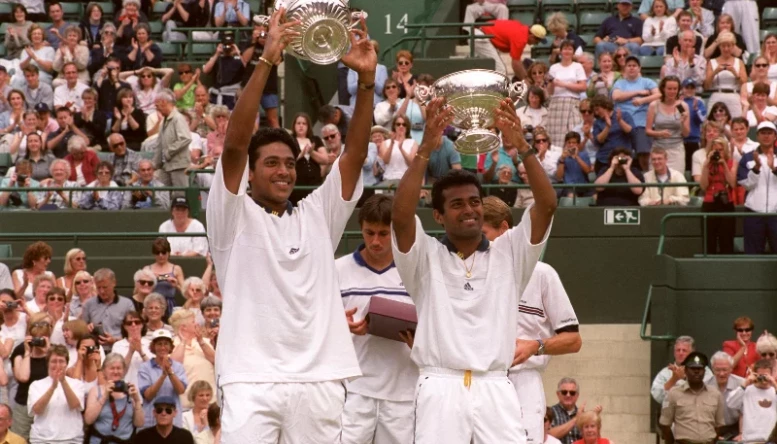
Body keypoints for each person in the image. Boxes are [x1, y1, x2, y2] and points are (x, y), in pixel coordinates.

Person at [206, 11, 376, 442]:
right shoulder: (232, 215)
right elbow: (235, 146)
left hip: (320, 379)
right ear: (251, 172)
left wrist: (368, 82)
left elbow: (354, 156)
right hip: (250, 380)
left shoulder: (318, 214)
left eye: (288, 163)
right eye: (271, 164)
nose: (283, 171)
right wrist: (266, 62)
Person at [391, 84, 556, 444]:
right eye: (457, 204)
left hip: (496, 385)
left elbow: (546, 206)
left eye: (475, 201)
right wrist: (424, 150)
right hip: (440, 384)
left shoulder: (510, 253)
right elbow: (401, 218)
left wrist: (522, 146)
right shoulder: (425, 257)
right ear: (437, 214)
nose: (469, 209)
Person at [481, 197, 581, 444]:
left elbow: (574, 340)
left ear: (504, 229)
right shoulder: (471, 273)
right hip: (481, 378)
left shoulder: (543, 275)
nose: (476, 241)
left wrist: (535, 346)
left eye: (483, 233)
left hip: (524, 380)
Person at [337, 195, 417, 443]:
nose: (375, 241)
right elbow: (318, 324)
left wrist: (419, 340)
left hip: (403, 392)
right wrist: (340, 325)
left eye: (383, 233)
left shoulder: (416, 271)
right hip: (353, 391)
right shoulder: (337, 269)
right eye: (369, 232)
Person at [659, 351, 725, 444]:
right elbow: (665, 424)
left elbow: (719, 425)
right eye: (692, 368)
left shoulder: (715, 394)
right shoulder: (674, 394)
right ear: (685, 370)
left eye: (700, 368)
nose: (696, 371)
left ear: (705, 371)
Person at [27, 344, 84, 444]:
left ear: (67, 364)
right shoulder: (36, 385)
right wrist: (53, 387)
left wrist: (63, 382)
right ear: (48, 363)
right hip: (42, 439)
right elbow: (37, 410)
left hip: (71, 439)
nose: (58, 365)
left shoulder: (77, 384)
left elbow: (74, 405)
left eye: (61, 361)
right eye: (54, 361)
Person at [612, 55, 661, 171]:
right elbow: (616, 96)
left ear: (639, 68)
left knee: (644, 153)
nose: (631, 68)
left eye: (634, 65)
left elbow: (659, 95)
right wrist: (638, 92)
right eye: (629, 66)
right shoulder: (620, 83)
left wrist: (642, 100)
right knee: (620, 154)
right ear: (625, 69)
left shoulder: (647, 81)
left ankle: (647, 174)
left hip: (641, 123)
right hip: (622, 121)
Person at [83, 353, 145, 444]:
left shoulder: (131, 390)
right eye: (112, 368)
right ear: (104, 371)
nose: (116, 371)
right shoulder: (96, 391)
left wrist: (137, 400)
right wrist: (104, 397)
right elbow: (88, 420)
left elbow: (139, 423)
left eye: (119, 368)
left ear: (124, 371)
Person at [737, 121, 777, 254]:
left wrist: (774, 169)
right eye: (763, 133)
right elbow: (745, 184)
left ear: (775, 136)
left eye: (769, 133)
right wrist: (756, 168)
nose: (766, 136)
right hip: (753, 213)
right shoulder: (748, 157)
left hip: (775, 214)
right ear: (757, 136)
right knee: (752, 255)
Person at [138, 329, 187, 429]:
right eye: (159, 344)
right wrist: (163, 376)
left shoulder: (178, 367)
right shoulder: (144, 367)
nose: (163, 347)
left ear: (170, 347)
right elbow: (148, 395)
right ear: (153, 347)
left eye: (166, 344)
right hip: (150, 422)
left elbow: (181, 390)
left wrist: (170, 372)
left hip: (173, 423)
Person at [169, 309, 215, 411]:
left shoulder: (205, 342)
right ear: (183, 327)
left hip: (211, 403)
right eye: (193, 322)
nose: (197, 324)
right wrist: (183, 341)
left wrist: (201, 341)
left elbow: (215, 360)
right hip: (187, 405)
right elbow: (174, 365)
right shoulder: (172, 345)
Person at [80, 268, 135, 353]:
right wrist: (87, 328)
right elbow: (82, 331)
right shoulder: (89, 304)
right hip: (96, 350)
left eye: (105, 287)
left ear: (114, 283)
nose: (102, 291)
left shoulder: (127, 304)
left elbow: (133, 331)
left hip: (120, 349)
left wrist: (115, 340)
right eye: (99, 288)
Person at [699, 137, 737, 254]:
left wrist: (724, 165)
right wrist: (706, 165)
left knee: (726, 239)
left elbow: (732, 183)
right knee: (709, 239)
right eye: (715, 150)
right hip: (709, 202)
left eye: (720, 150)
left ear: (725, 150)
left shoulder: (732, 162)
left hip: (726, 202)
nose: (718, 152)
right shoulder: (707, 163)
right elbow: (704, 186)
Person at [651, 336, 715, 404]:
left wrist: (686, 378)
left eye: (684, 350)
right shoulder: (665, 373)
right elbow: (658, 396)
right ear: (674, 353)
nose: (680, 353)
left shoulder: (703, 370)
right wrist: (674, 379)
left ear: (692, 353)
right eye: (678, 350)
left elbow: (709, 393)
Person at [645, 76, 690, 172]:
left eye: (675, 89)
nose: (672, 92)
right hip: (658, 149)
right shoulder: (654, 105)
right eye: (669, 89)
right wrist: (659, 133)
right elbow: (647, 131)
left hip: (676, 149)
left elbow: (686, 134)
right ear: (663, 89)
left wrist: (683, 121)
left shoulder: (683, 106)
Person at [546, 40, 586, 147]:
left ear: (573, 52)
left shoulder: (577, 66)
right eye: (565, 49)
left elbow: (583, 86)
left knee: (573, 131)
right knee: (555, 135)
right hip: (556, 103)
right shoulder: (554, 67)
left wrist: (563, 84)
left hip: (572, 101)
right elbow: (550, 91)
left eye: (570, 49)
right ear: (560, 51)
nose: (567, 51)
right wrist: (552, 84)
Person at [477, 20, 549, 78]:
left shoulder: (521, 30)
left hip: (483, 35)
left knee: (491, 69)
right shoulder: (521, 38)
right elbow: (515, 64)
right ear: (532, 36)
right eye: (537, 41)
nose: (536, 44)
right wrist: (526, 80)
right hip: (481, 37)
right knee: (500, 70)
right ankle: (498, 95)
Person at [729, 359, 777, 443]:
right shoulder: (746, 390)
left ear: (771, 374)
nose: (763, 379)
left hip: (770, 440)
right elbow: (730, 403)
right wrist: (745, 384)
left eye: (765, 375)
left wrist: (774, 384)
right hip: (750, 440)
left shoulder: (774, 392)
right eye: (760, 375)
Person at [703, 32, 747, 119]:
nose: (726, 49)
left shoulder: (739, 62)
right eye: (723, 46)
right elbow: (706, 86)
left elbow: (744, 85)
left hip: (734, 97)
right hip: (717, 95)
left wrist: (734, 72)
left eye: (729, 46)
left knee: (735, 124)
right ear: (719, 47)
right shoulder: (711, 62)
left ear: (733, 46)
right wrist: (715, 72)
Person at [152, 89, 191, 187]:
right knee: (160, 191)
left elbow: (185, 138)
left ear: (164, 102)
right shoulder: (164, 121)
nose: (156, 109)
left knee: (180, 196)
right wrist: (155, 164)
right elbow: (159, 144)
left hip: (179, 166)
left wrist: (169, 152)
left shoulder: (178, 118)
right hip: (166, 167)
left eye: (157, 106)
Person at [548, 378, 601, 444]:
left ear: (577, 396)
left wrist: (595, 420)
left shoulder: (583, 415)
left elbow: (594, 440)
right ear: (558, 394)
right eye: (564, 392)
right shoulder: (550, 412)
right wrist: (576, 418)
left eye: (572, 393)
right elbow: (548, 435)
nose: (568, 395)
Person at [110, 310, 152, 389]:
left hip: (148, 388)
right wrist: (130, 351)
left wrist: (141, 352)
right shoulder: (118, 345)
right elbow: (117, 371)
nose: (133, 325)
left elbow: (154, 369)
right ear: (125, 326)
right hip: (125, 388)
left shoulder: (150, 344)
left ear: (142, 325)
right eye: (129, 323)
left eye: (137, 322)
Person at [708, 351, 744, 440]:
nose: (721, 374)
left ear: (731, 369)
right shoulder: (705, 385)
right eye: (717, 370)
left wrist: (742, 433)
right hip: (711, 428)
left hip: (736, 428)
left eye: (725, 369)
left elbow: (744, 412)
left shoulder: (741, 384)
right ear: (712, 369)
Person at [377, 115, 419, 186]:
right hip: (389, 179)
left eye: (404, 124)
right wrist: (392, 144)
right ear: (394, 126)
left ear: (407, 127)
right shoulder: (385, 143)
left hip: (406, 180)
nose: (401, 126)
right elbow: (385, 161)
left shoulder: (413, 143)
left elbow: (411, 163)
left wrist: (401, 148)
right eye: (398, 124)